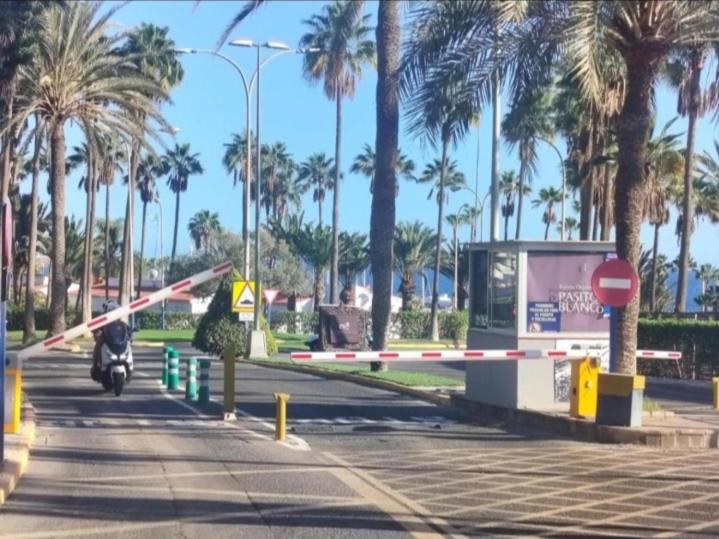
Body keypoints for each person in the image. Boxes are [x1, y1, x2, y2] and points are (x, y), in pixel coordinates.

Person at [91, 300, 129, 380]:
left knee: (128, 345)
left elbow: (127, 329)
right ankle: (96, 366)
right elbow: (94, 327)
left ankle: (129, 367)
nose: (112, 312)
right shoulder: (102, 321)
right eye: (110, 310)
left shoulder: (121, 324)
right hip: (106, 344)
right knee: (97, 347)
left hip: (118, 345)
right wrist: (97, 332)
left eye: (114, 310)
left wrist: (130, 332)